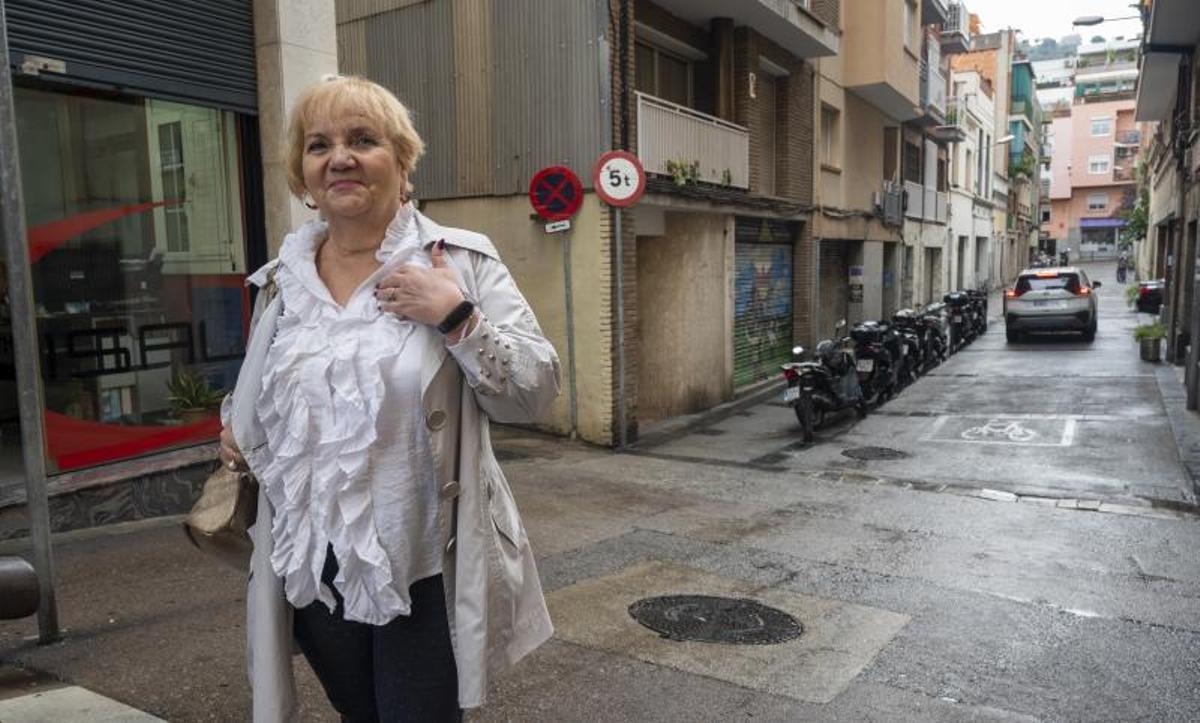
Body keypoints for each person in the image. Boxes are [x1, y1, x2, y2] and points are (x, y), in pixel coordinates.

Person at [218, 75, 561, 722]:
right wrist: (238, 427)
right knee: (360, 713)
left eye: (363, 139)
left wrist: (458, 318)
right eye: (319, 145)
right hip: (314, 558)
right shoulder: (280, 283)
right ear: (303, 174)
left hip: (422, 562)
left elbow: (536, 392)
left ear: (402, 164)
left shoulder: (460, 261)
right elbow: (271, 392)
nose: (338, 157)